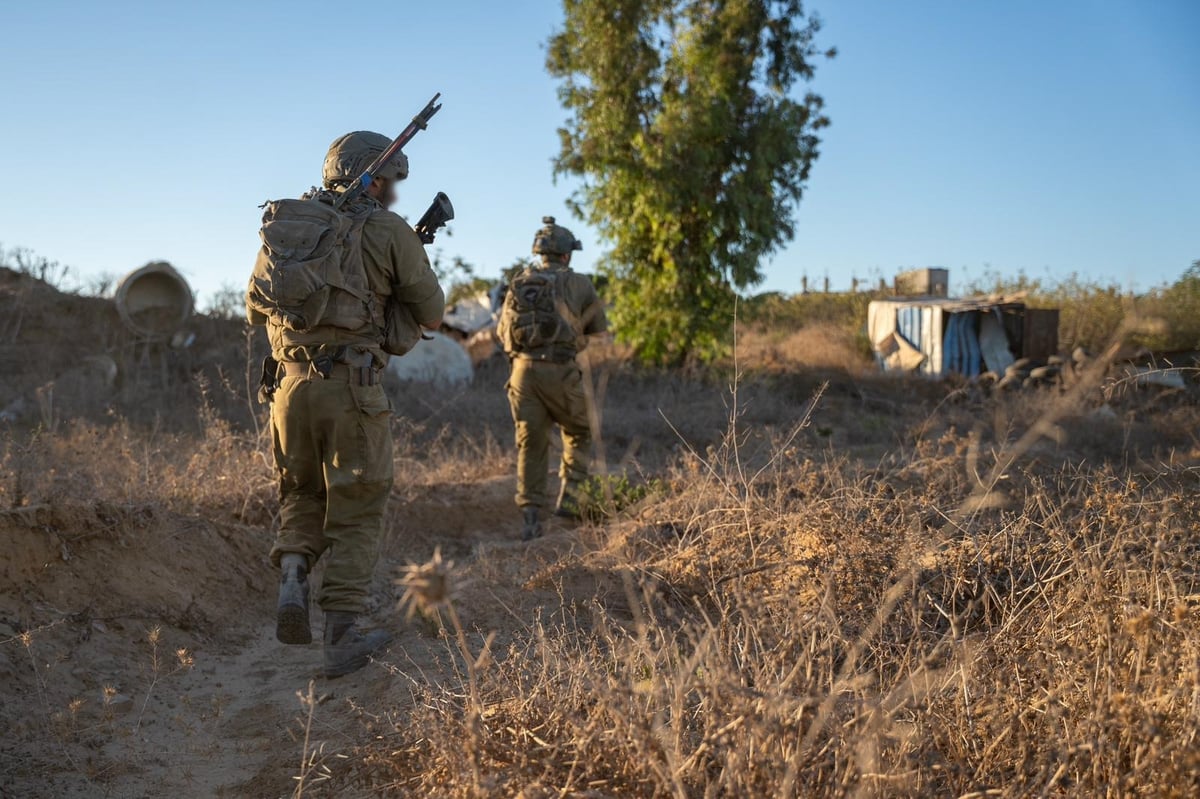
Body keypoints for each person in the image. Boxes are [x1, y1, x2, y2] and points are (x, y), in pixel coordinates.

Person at [247, 131, 445, 677]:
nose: (396, 195)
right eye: (392, 182)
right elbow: (430, 316)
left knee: (302, 493)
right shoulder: (387, 228)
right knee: (357, 506)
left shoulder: (291, 226)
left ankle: (293, 574)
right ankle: (341, 636)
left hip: (288, 389)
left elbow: (255, 306)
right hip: (352, 389)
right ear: (373, 178)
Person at [497, 216, 608, 541]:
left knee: (530, 443)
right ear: (566, 254)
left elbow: (503, 334)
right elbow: (599, 331)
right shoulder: (580, 282)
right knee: (581, 431)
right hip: (559, 370)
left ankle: (531, 515)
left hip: (521, 373)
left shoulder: (519, 282)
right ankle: (570, 505)